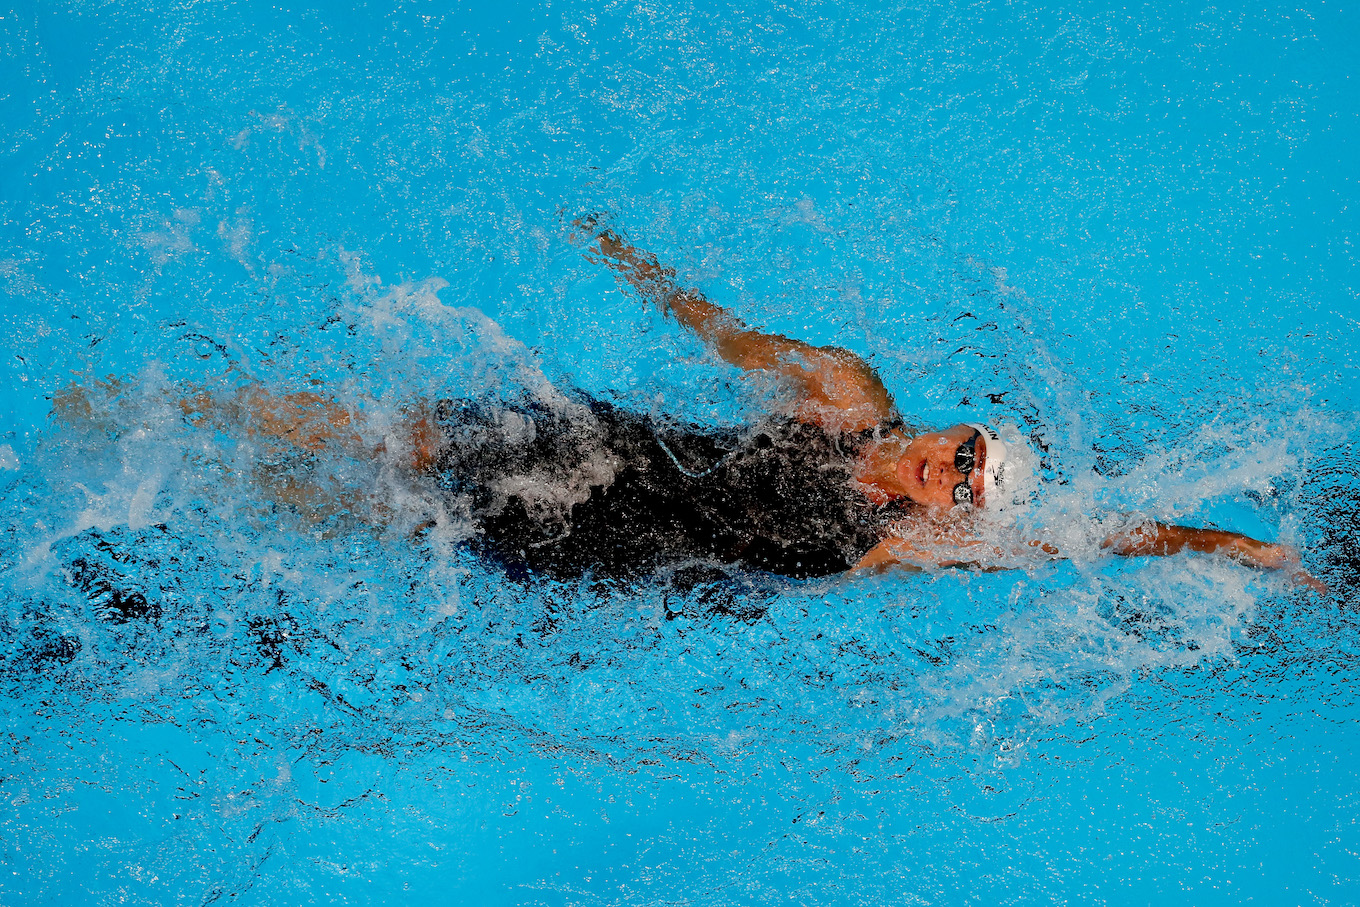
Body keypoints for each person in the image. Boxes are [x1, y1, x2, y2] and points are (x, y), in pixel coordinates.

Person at [153, 219, 1324, 591]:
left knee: (393, 519)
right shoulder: (849, 395)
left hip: (616, 546)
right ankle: (157, 412)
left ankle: (184, 497)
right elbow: (726, 338)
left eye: (970, 490)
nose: (952, 476)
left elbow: (1106, 538)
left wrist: (1239, 550)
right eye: (965, 450)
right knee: (406, 432)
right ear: (952, 424)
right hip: (609, 455)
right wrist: (642, 270)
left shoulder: (906, 549)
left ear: (965, 517)